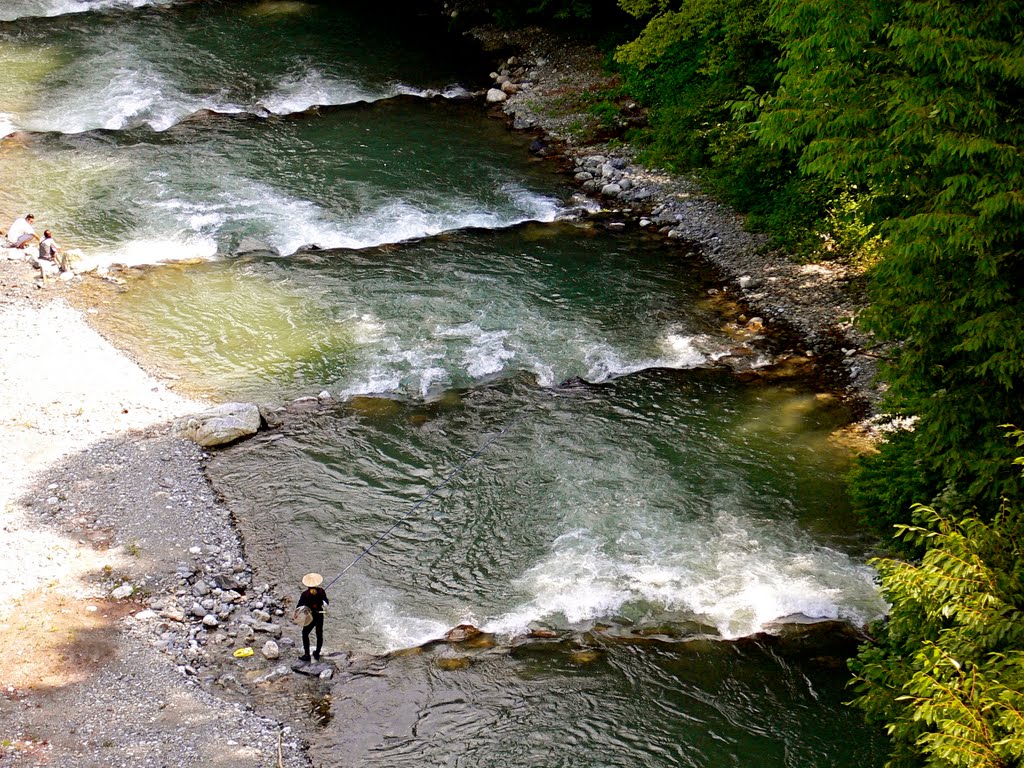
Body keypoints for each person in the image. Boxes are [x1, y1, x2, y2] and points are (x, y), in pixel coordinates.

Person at [292, 572, 329, 662]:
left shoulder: (305, 594)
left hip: (310, 616)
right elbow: (326, 603)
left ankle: (307, 654)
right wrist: (322, 601)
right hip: (320, 615)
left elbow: (300, 606)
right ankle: (317, 653)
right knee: (319, 634)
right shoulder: (321, 591)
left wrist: (295, 615)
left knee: (305, 633)